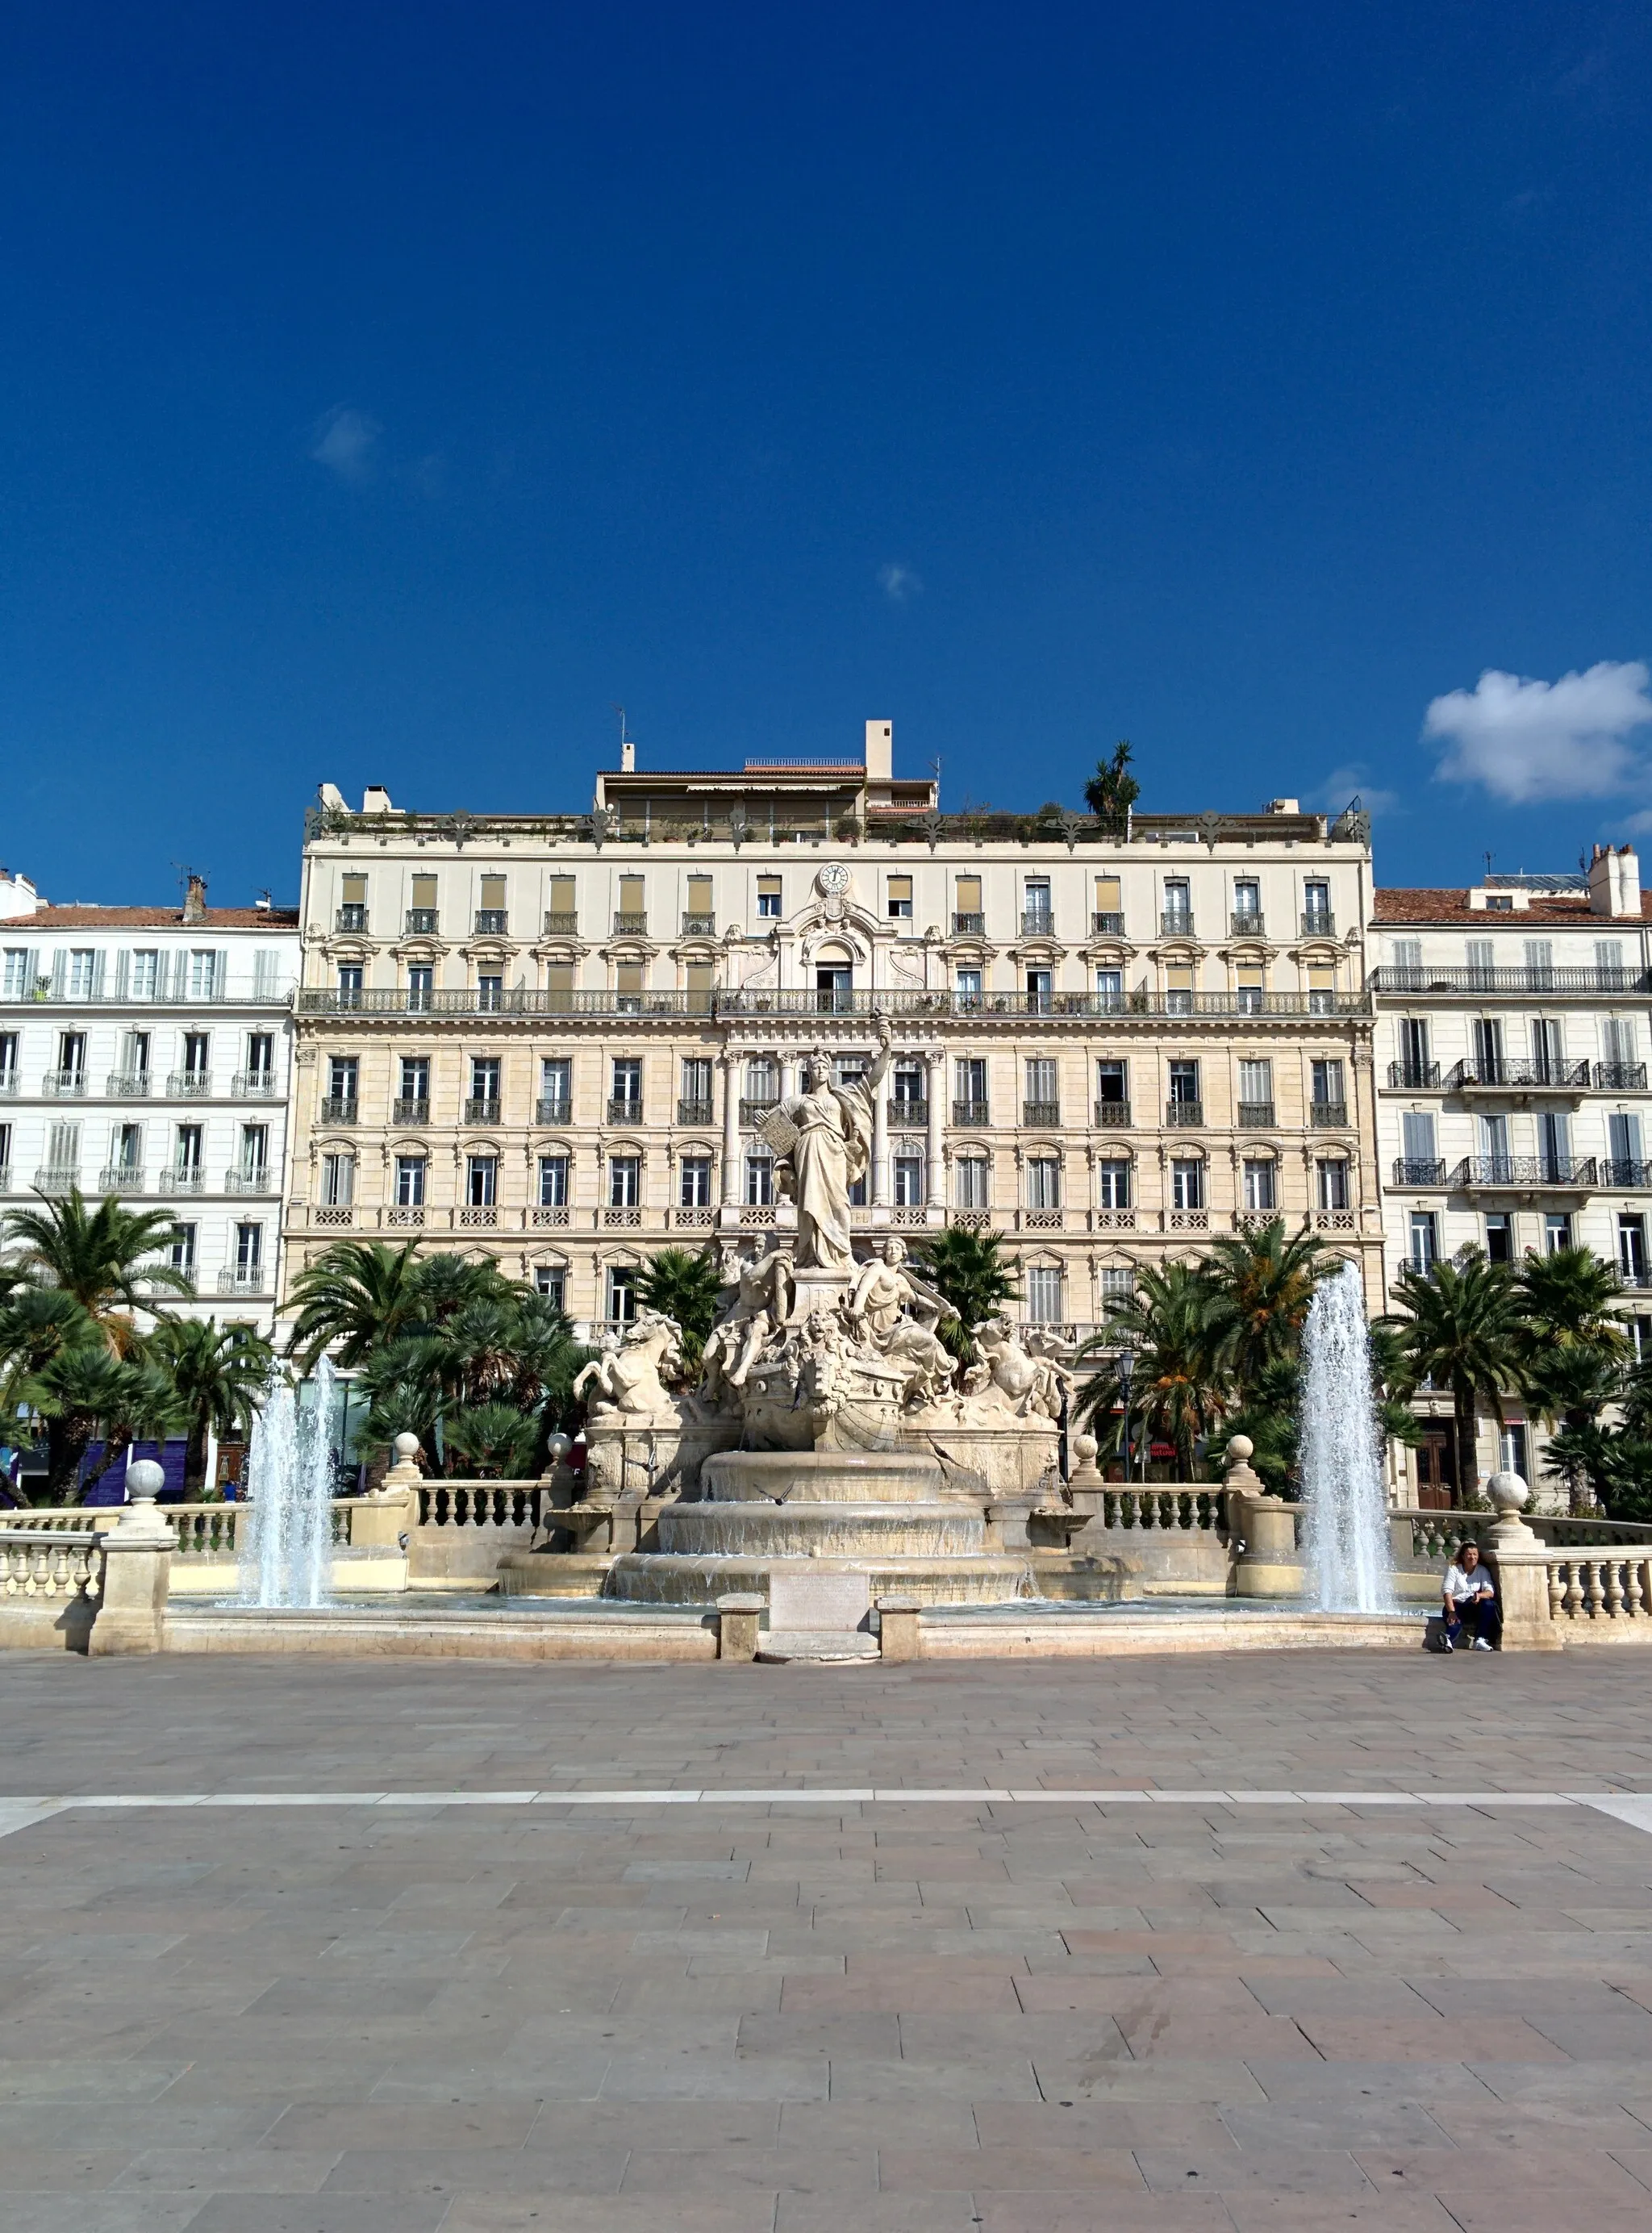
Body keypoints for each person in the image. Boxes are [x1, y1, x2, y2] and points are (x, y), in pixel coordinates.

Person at [1441, 1539, 1498, 1652]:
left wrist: (1480, 1596)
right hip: (1456, 1605)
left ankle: (1481, 1639)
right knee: (1455, 1623)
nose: (1472, 1557)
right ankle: (1447, 1641)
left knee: (1489, 1604)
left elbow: (1490, 1591)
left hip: (1472, 1606)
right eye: (1469, 1555)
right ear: (1463, 1556)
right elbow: (1447, 1591)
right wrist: (1451, 1612)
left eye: (1475, 1554)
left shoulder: (1482, 1570)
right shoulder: (1454, 1569)